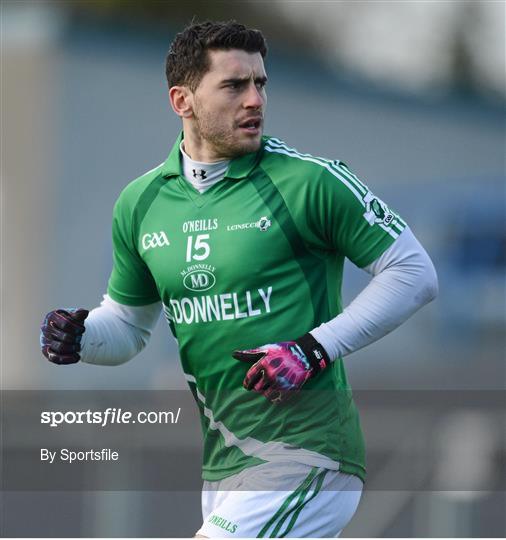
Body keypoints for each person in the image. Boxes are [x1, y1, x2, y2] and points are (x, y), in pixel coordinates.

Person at [40, 20, 438, 538]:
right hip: (226, 467)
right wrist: (81, 336)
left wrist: (314, 348)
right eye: (234, 85)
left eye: (261, 84)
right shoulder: (140, 203)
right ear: (182, 101)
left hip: (308, 456)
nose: (255, 100)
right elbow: (128, 326)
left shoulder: (310, 181)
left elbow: (414, 272)